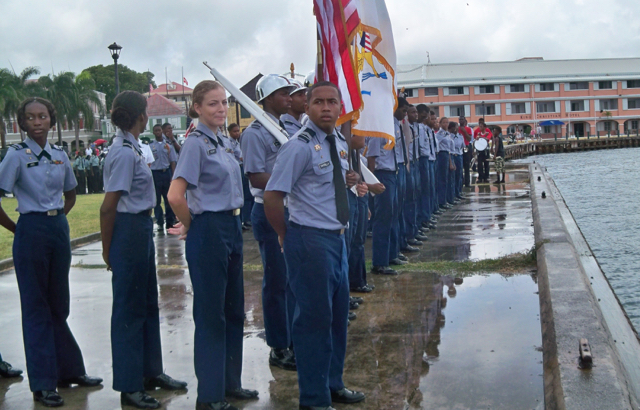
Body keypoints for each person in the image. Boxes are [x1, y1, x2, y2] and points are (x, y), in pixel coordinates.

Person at [263, 81, 365, 410]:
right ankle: (314, 399)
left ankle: (333, 384)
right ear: (306, 107)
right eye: (318, 102)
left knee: (336, 321)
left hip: (337, 239)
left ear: (339, 108)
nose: (325, 108)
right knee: (312, 325)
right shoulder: (299, 145)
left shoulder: (335, 141)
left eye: (331, 102)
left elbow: (326, 184)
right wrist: (285, 234)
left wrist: (348, 179)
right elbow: (272, 196)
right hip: (310, 241)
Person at [0, 97, 102, 408]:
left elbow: (70, 192)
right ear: (22, 123)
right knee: (36, 308)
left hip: (57, 229)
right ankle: (43, 384)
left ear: (51, 120)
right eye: (30, 118)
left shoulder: (59, 155)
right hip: (30, 230)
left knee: (59, 305)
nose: (37, 122)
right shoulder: (15, 156)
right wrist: (20, 228)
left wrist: (58, 218)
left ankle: (68, 371)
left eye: (42, 116)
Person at [168, 80, 257, 410]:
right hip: (209, 229)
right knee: (210, 316)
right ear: (197, 108)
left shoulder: (223, 141)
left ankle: (230, 384)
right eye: (212, 104)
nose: (220, 109)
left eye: (223, 103)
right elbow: (175, 195)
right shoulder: (195, 144)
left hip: (232, 226)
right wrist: (192, 224)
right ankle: (210, 396)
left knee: (234, 311)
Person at [100, 91, 186, 410]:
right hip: (127, 228)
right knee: (128, 311)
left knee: (148, 303)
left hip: (140, 227)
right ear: (142, 117)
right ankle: (129, 385)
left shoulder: (134, 145)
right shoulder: (122, 152)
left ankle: (151, 372)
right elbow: (108, 207)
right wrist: (108, 250)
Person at [240, 74, 297, 371]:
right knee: (276, 281)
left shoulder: (285, 127)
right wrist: (290, 182)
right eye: (283, 93)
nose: (289, 97)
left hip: (291, 207)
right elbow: (255, 175)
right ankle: (278, 345)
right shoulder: (255, 133)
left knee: (290, 280)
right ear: (267, 98)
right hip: (268, 209)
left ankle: (290, 337)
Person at [150, 124, 178, 231]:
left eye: (159, 130)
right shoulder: (150, 146)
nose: (158, 132)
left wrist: (173, 176)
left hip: (166, 173)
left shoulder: (168, 145)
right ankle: (160, 221)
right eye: (155, 130)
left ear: (162, 131)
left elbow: (172, 162)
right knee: (156, 200)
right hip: (155, 174)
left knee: (168, 199)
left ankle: (170, 222)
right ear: (153, 132)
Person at [228, 123, 253, 230]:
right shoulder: (229, 143)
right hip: (238, 168)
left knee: (248, 194)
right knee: (244, 195)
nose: (237, 133)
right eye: (234, 131)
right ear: (229, 132)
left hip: (243, 167)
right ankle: (243, 220)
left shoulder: (238, 142)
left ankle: (246, 218)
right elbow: (239, 157)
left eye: (238, 131)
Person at [435, 117, 453, 210]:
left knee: (446, 179)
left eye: (447, 122)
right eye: (444, 122)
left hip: (447, 154)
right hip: (441, 155)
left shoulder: (447, 134)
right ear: (440, 124)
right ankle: (441, 201)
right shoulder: (440, 134)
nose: (446, 124)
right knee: (442, 179)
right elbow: (437, 145)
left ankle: (445, 200)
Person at [473, 119, 492, 183]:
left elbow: (488, 138)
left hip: (485, 149)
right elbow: (475, 137)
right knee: (479, 164)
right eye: (479, 125)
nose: (480, 127)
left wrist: (483, 138)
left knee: (486, 163)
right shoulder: (477, 131)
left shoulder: (487, 131)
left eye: (481, 126)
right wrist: (477, 138)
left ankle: (486, 176)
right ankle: (480, 177)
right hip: (479, 150)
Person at [458, 116, 474, 187]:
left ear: (465, 121)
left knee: (466, 166)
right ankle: (461, 182)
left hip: (466, 148)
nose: (461, 121)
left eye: (462, 120)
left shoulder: (468, 129)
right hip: (458, 149)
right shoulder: (456, 129)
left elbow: (469, 138)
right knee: (459, 167)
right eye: (460, 120)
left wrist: (464, 131)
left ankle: (467, 182)